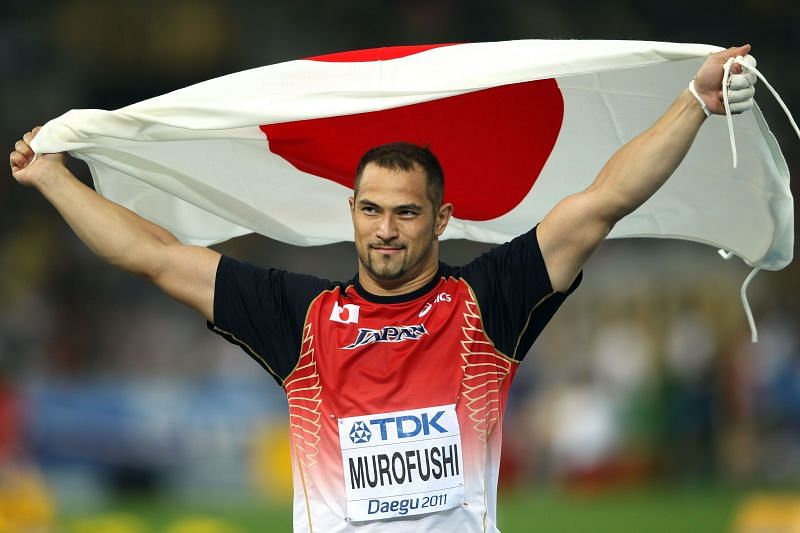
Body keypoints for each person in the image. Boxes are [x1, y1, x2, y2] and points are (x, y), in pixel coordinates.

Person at [10, 45, 756, 532]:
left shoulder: (485, 303)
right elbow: (156, 256)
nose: (386, 229)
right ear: (353, 214)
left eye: (406, 212)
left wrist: (693, 101)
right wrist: (50, 177)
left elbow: (601, 204)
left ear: (442, 218)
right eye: (371, 209)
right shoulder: (300, 317)